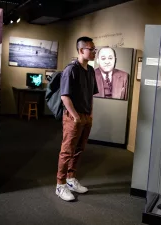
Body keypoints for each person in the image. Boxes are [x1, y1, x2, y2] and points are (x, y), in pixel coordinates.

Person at [56, 36, 98, 201]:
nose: (94, 52)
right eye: (91, 49)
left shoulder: (91, 70)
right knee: (67, 151)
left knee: (79, 149)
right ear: (81, 50)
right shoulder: (71, 69)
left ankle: (71, 179)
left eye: (94, 49)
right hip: (74, 117)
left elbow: (90, 95)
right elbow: (64, 97)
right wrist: (75, 117)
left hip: (86, 116)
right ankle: (60, 185)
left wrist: (90, 114)